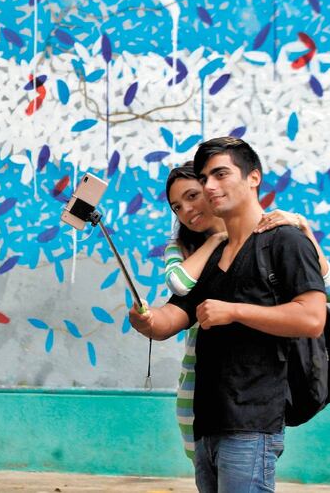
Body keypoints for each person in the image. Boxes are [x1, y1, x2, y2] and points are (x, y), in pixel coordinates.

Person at [131, 137, 326, 492]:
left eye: (221, 174)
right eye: (204, 178)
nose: (210, 186)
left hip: (251, 424)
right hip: (205, 424)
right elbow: (171, 318)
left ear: (254, 177)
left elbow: (311, 318)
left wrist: (234, 311)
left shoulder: (285, 241)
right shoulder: (212, 257)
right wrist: (146, 320)